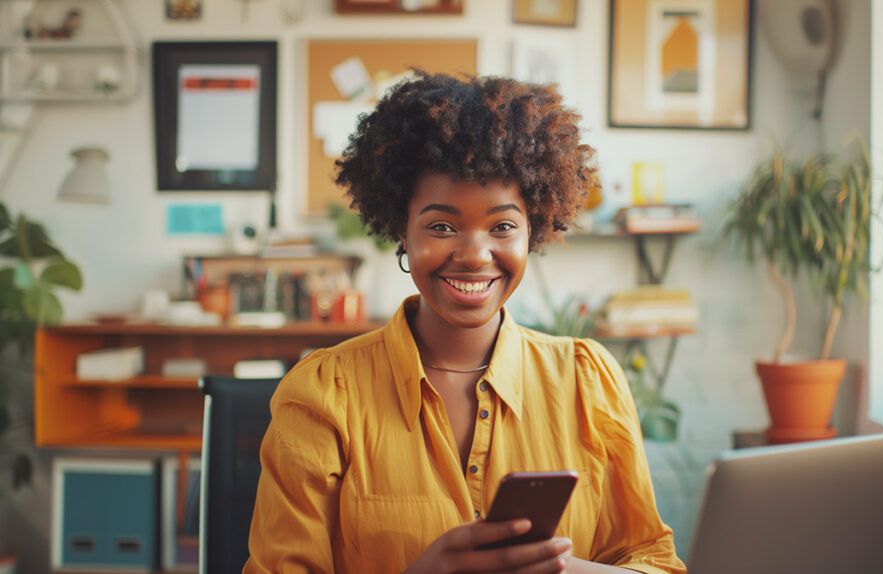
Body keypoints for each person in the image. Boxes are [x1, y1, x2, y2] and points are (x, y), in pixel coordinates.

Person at [245, 71, 686, 574]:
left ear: (533, 230)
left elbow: (651, 559)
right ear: (401, 232)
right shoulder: (324, 395)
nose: (475, 255)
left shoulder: (588, 381)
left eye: (502, 226)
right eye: (441, 226)